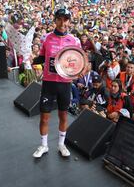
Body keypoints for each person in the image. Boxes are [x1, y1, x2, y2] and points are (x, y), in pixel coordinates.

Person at [32, 8, 82, 158]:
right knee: (44, 117)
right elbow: (41, 57)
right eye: (59, 19)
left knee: (64, 116)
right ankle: (44, 145)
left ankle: (61, 144)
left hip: (65, 84)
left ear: (69, 22)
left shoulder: (74, 40)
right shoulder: (47, 37)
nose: (62, 23)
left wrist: (80, 69)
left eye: (65, 19)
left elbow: (78, 62)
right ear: (55, 20)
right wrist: (32, 59)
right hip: (48, 83)